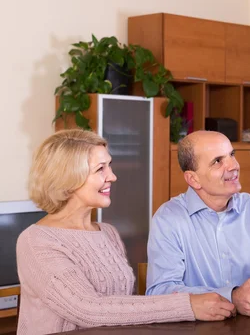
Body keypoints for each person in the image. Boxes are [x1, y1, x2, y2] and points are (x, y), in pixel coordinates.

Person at [16, 129, 236, 335]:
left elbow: (125, 307)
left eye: (109, 166)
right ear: (69, 177)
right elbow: (88, 309)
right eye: (100, 169)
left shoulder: (107, 233)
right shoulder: (37, 241)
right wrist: (187, 304)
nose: (112, 176)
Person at [146, 130, 250, 319]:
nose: (233, 166)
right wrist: (233, 297)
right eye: (218, 161)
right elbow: (161, 290)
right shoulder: (168, 218)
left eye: (232, 155)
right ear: (193, 179)